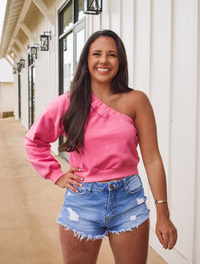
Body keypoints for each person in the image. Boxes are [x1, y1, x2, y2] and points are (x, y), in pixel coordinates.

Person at [25, 29, 177, 264]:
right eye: (96, 54)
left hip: (129, 200)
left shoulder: (136, 101)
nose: (103, 60)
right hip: (82, 201)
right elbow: (34, 141)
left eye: (112, 54)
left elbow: (152, 158)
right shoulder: (68, 102)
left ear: (120, 61)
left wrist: (163, 212)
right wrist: (56, 174)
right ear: (87, 60)